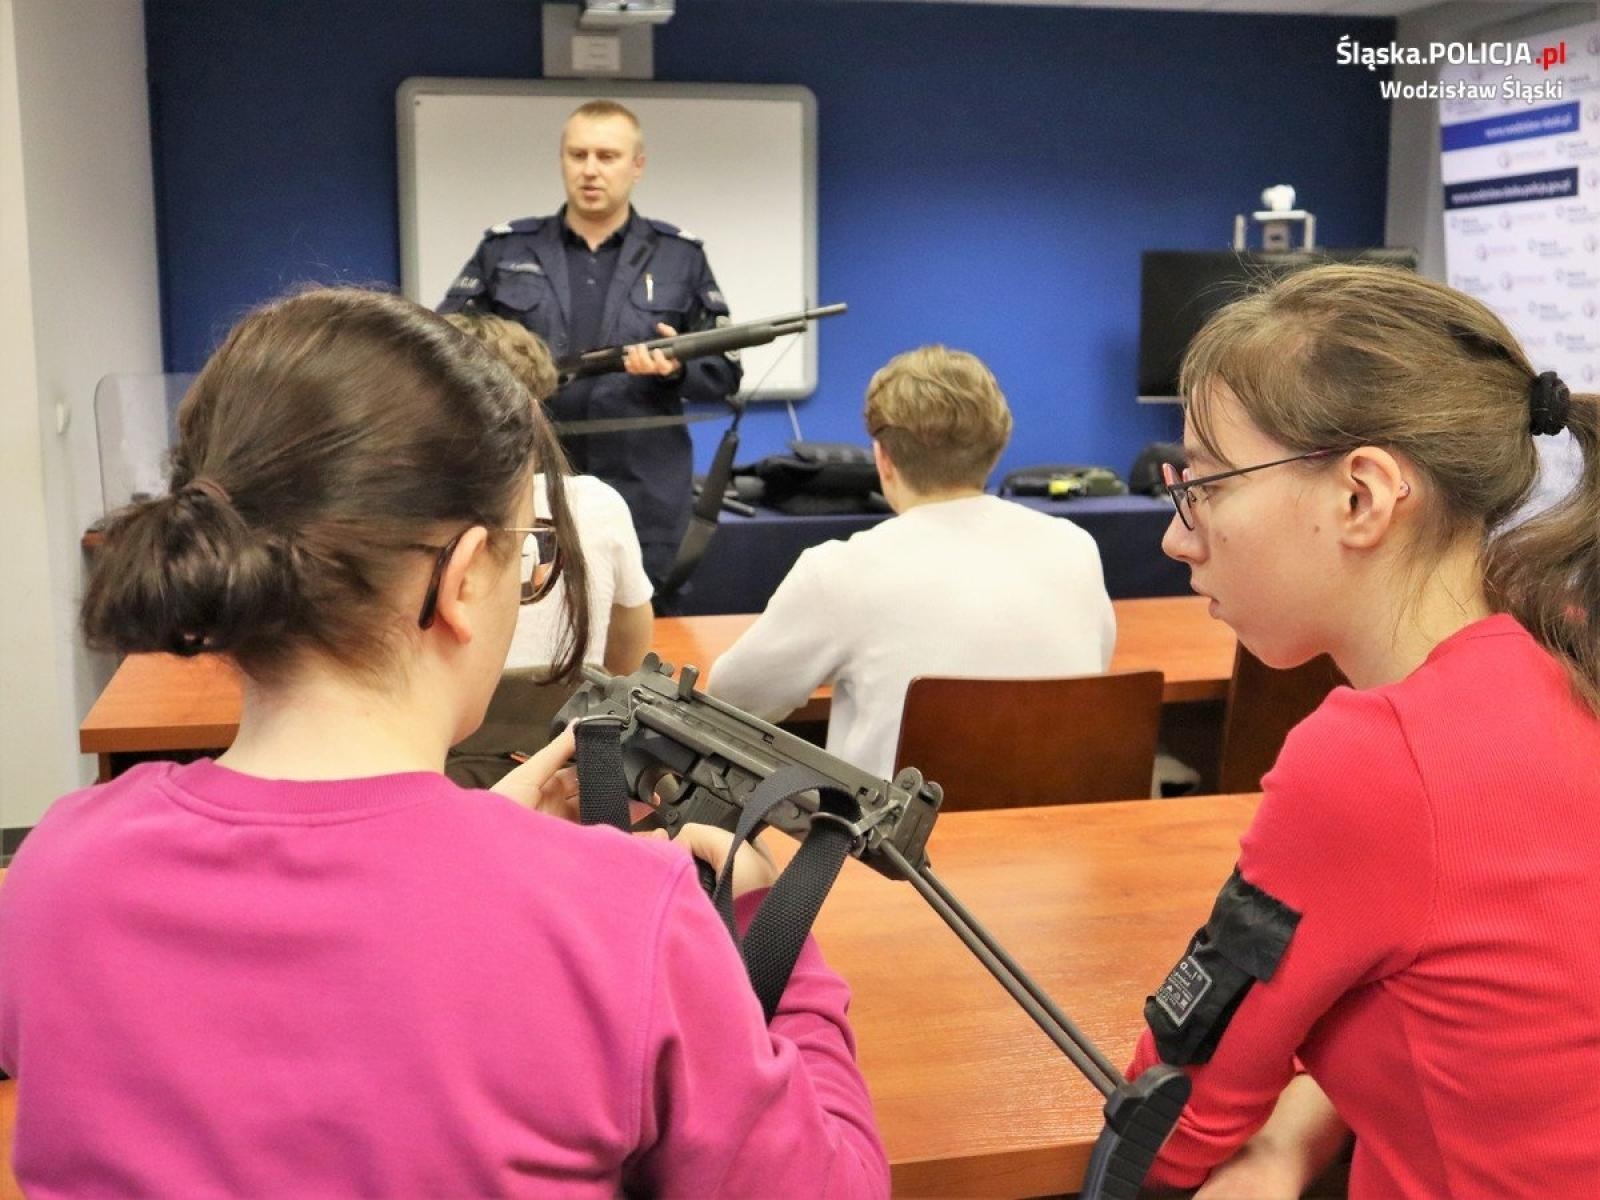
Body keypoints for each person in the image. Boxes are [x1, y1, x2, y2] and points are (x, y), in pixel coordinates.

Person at [0, 288, 887, 1197]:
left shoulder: (55, 871)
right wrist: (769, 933)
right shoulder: (632, 915)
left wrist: (482, 840)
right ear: (462, 581)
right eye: (527, 555)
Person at [1130, 264, 1600, 1197]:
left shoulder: (1376, 758)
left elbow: (1168, 1126)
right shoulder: (1566, 651)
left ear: (1363, 497)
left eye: (1206, 486)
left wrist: (1276, 1139)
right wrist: (1302, 1134)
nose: (1178, 538)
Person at [705, 345, 1116, 779]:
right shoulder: (1075, 547)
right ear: (997, 447)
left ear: (883, 459)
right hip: (1064, 835)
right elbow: (1094, 670)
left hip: (893, 844)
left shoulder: (841, 570)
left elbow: (731, 701)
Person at [438, 98, 742, 594]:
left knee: (650, 631)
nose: (591, 170)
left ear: (636, 166)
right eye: (578, 155)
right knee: (524, 617)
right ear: (562, 161)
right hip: (525, 475)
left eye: (607, 156)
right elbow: (447, 347)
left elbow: (726, 372)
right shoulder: (507, 248)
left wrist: (675, 369)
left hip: (644, 487)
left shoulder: (679, 257)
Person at [440, 312, 654, 787]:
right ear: (537, 404)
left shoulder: (414, 517)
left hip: (443, 778)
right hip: (575, 779)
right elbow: (629, 662)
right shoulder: (599, 504)